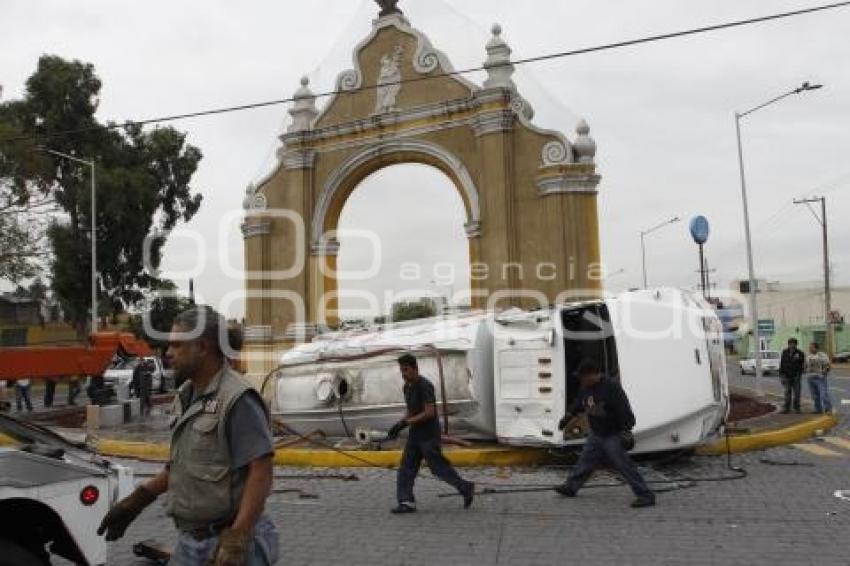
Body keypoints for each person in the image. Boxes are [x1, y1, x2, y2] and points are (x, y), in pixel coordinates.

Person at [98, 306, 279, 565]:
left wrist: (237, 538)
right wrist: (137, 501)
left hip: (231, 545)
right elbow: (182, 467)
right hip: (190, 543)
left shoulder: (237, 399)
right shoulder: (185, 395)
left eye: (177, 346)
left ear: (202, 348)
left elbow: (261, 470)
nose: (169, 354)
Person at [555, 359, 655, 508]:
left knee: (623, 465)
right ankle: (571, 487)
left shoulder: (611, 388)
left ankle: (645, 495)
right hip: (596, 433)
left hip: (612, 434)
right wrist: (568, 416)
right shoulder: (586, 387)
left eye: (583, 377)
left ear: (594, 375)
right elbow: (578, 403)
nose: (581, 380)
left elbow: (624, 409)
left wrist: (626, 430)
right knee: (585, 460)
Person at [387, 353, 475, 514]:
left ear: (415, 369)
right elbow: (411, 411)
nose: (403, 374)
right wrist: (400, 424)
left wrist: (408, 422)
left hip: (428, 435)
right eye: (401, 370)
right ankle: (406, 502)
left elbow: (430, 412)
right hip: (415, 435)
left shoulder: (424, 385)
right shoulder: (407, 387)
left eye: (406, 370)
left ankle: (466, 488)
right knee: (406, 467)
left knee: (438, 468)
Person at [804, 341, 832, 414]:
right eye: (809, 347)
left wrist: (824, 372)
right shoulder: (808, 356)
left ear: (816, 348)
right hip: (810, 378)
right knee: (814, 395)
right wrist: (805, 370)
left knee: (823, 394)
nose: (809, 348)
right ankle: (818, 409)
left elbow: (828, 365)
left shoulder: (822, 355)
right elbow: (805, 366)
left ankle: (828, 409)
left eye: (811, 347)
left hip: (820, 378)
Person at [779, 338, 806, 414]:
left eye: (793, 344)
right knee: (787, 392)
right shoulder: (785, 352)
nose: (792, 345)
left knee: (797, 393)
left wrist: (798, 359)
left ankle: (797, 408)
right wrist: (781, 375)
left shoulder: (800, 353)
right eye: (790, 344)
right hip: (786, 375)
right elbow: (782, 363)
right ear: (788, 344)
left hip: (796, 376)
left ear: (796, 344)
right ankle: (786, 408)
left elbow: (802, 363)